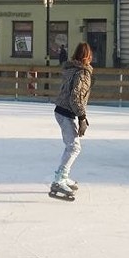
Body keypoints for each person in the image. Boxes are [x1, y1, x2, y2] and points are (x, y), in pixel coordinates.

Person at [49, 42, 94, 201]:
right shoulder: (82, 73)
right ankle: (59, 179)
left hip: (61, 110)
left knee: (72, 146)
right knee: (74, 147)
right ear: (88, 56)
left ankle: (64, 176)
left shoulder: (71, 69)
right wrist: (82, 117)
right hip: (66, 112)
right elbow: (76, 97)